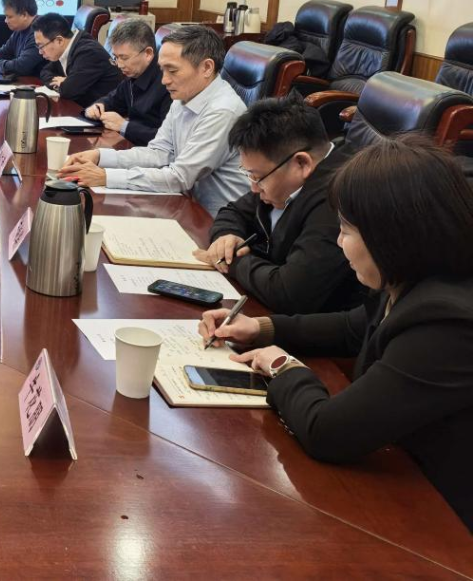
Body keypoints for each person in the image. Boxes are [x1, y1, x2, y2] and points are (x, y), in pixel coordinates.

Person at [199, 137, 473, 531]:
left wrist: (283, 366)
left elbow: (326, 432)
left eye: (346, 229)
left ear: (394, 234)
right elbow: (354, 327)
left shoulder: (446, 323)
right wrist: (261, 328)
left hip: (440, 518)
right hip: (399, 470)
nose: (339, 242)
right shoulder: (413, 277)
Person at [193, 97, 363, 313]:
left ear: (302, 163)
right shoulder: (281, 176)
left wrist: (232, 260)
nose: (254, 188)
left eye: (257, 177)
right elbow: (234, 211)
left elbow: (291, 293)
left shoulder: (339, 196)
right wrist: (227, 236)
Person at [59, 24, 248, 217]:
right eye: (162, 70)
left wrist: (105, 176)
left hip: (216, 221)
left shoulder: (222, 111)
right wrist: (100, 156)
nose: (164, 80)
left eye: (172, 71)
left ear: (206, 68)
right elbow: (159, 153)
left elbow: (180, 177)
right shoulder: (184, 96)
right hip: (184, 205)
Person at [85, 19, 170, 146]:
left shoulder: (168, 84)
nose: (119, 65)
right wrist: (97, 107)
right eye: (116, 57)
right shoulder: (133, 74)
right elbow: (113, 100)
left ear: (148, 53)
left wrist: (124, 126)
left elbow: (168, 140)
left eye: (124, 58)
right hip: (131, 146)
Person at [33, 12, 121, 107]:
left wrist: (66, 84)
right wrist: (63, 83)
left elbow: (68, 91)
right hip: (80, 107)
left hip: (102, 112)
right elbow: (45, 72)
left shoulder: (89, 53)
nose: (40, 52)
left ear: (59, 41)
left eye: (41, 46)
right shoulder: (65, 49)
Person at [0, 0, 43, 78]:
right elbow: (4, 52)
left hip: (38, 83)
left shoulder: (41, 31)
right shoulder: (20, 30)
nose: (6, 21)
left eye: (9, 17)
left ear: (24, 15)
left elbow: (21, 66)